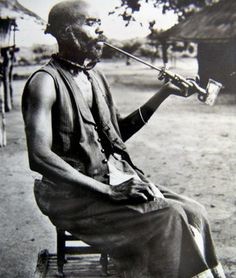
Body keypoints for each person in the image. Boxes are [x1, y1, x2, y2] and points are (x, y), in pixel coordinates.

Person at [22, 1, 225, 277]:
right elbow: (39, 157)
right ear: (68, 32)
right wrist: (109, 192)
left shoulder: (95, 77)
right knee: (171, 217)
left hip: (111, 181)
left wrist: (164, 93)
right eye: (92, 23)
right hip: (70, 197)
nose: (101, 30)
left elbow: (117, 135)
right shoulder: (44, 83)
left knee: (195, 211)